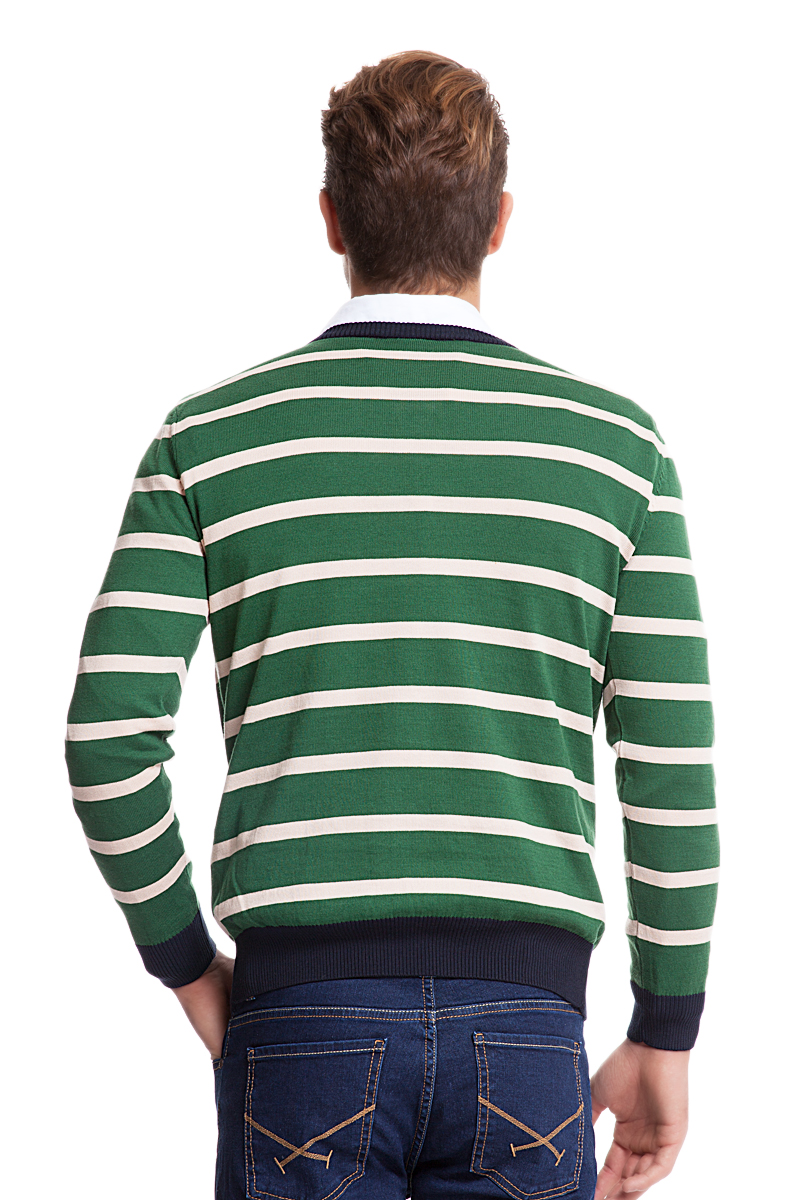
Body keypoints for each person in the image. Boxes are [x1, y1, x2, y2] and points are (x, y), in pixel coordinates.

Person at [64, 49, 718, 1200]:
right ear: (498, 222)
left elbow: (107, 741)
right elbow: (668, 766)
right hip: (527, 1029)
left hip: (296, 1022)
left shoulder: (208, 439)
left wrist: (194, 974)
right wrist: (663, 1030)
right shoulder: (614, 451)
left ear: (330, 218)